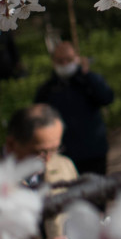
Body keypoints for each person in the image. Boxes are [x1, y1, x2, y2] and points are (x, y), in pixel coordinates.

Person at [3, 104, 77, 239]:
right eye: (40, 152)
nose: (49, 158)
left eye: (55, 149)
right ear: (12, 143)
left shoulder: (64, 166)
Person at [35, 42, 114, 175]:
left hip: (93, 151)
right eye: (60, 61)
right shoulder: (47, 90)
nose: (65, 64)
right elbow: (38, 119)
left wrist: (87, 75)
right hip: (64, 154)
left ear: (77, 58)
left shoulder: (88, 80)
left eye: (69, 59)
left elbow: (107, 98)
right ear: (53, 62)